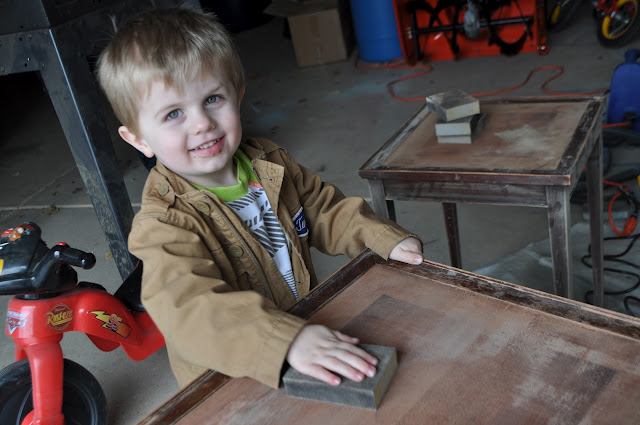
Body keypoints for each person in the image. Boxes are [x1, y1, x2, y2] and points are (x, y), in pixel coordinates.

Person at [96, 6, 423, 390]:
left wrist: (379, 236)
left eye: (213, 99)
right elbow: (190, 309)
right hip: (232, 378)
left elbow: (324, 209)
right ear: (138, 139)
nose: (202, 123)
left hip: (303, 332)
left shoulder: (269, 161)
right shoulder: (162, 224)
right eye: (172, 114)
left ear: (238, 94)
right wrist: (284, 341)